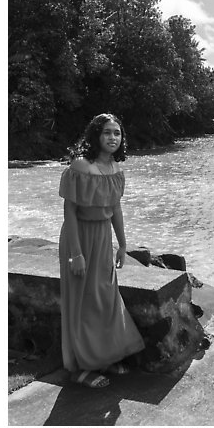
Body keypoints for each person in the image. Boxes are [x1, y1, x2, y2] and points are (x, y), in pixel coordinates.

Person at [59, 113, 145, 388]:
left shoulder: (116, 171)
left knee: (105, 299)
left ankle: (103, 358)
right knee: (82, 302)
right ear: (96, 135)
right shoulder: (81, 166)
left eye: (117, 133)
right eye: (107, 132)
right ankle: (80, 368)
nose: (112, 138)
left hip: (103, 238)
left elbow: (116, 209)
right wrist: (76, 254)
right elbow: (69, 212)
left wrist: (123, 245)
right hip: (80, 237)